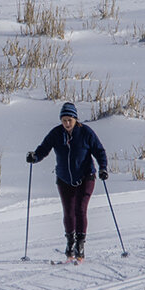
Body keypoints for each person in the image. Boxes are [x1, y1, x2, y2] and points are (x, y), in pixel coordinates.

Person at [26, 102, 109, 262]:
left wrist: (103, 168)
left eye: (69, 120)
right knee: (68, 211)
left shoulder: (85, 132)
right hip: (64, 179)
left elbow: (99, 151)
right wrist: (34, 157)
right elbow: (44, 148)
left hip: (86, 176)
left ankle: (80, 245)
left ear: (75, 119)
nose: (67, 123)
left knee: (80, 209)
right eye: (64, 120)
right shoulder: (56, 133)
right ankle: (70, 244)